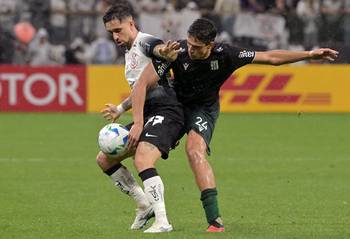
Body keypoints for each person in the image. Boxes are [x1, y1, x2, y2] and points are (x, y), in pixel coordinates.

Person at [129, 18, 339, 232]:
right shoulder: (177, 50)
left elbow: (271, 57)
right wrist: (130, 116)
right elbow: (143, 83)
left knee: (194, 151)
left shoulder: (227, 54)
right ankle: (144, 203)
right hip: (174, 106)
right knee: (128, 150)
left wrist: (309, 55)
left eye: (197, 46)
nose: (190, 49)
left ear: (210, 45)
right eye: (189, 43)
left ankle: (214, 220)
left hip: (203, 109)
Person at [96, 1, 184, 233]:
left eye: (118, 30)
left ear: (131, 23)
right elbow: (140, 89)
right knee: (104, 159)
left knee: (143, 158)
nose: (115, 36)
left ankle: (163, 221)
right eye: (110, 33)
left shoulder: (144, 41)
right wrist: (120, 108)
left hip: (167, 111)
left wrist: (163, 52)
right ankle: (144, 204)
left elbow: (157, 49)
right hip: (148, 112)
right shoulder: (128, 51)